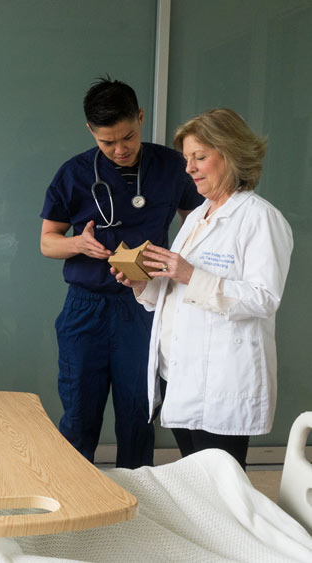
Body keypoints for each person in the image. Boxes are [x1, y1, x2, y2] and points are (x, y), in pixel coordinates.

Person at [113, 108, 293, 470]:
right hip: (182, 374)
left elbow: (264, 298)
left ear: (230, 155)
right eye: (186, 159)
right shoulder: (198, 215)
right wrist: (143, 283)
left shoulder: (260, 218)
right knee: (197, 479)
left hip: (223, 379)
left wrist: (190, 274)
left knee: (220, 485)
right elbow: (179, 290)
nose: (189, 168)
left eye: (199, 157)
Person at [39, 77, 203, 468]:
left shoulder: (171, 167)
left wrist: (179, 263)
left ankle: (137, 499)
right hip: (86, 308)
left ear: (140, 117)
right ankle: (77, 496)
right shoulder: (74, 174)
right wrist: (78, 245)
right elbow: (47, 242)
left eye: (127, 137)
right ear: (90, 131)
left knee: (138, 415)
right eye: (107, 142)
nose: (120, 149)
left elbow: (198, 222)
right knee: (79, 414)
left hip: (143, 306)